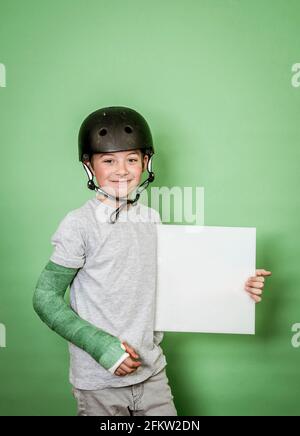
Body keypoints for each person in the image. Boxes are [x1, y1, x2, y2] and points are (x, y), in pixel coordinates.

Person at [33, 105, 271, 416]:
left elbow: (173, 281)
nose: (122, 170)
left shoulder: (151, 218)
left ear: (146, 162)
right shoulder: (79, 224)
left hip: (152, 373)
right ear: (89, 166)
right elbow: (45, 298)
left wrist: (238, 286)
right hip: (99, 381)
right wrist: (100, 346)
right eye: (109, 160)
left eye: (132, 159)